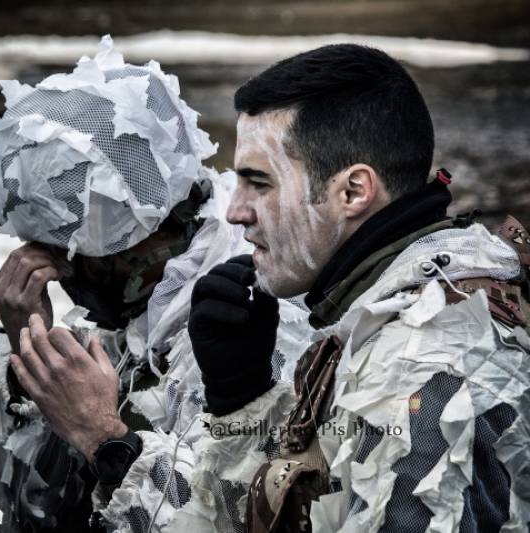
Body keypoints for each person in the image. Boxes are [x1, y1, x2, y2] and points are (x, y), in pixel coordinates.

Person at [0, 36, 313, 532]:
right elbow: (40, 513)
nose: (63, 277)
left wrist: (105, 438)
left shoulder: (254, 324)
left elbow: (242, 517)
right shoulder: (142, 315)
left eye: (76, 258)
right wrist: (33, 354)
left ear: (142, 238)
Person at [188, 43, 530, 532]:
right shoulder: (392, 302)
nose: (234, 211)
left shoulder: (424, 366)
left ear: (352, 192)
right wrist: (242, 397)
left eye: (259, 183)